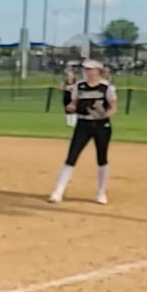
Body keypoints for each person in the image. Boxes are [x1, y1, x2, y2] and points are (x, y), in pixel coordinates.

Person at [48, 59, 117, 205]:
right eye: (85, 69)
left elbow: (113, 107)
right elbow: (74, 103)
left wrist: (103, 116)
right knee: (71, 156)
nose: (87, 71)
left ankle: (101, 193)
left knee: (102, 158)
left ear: (98, 70)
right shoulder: (79, 86)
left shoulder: (106, 87)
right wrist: (71, 107)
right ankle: (58, 191)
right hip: (83, 124)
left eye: (90, 69)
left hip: (101, 125)